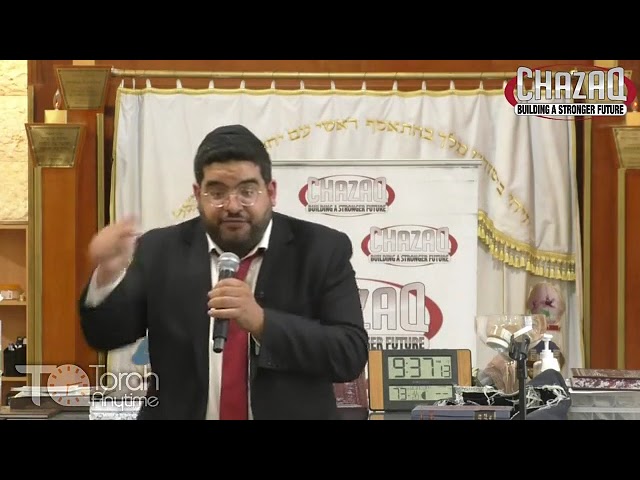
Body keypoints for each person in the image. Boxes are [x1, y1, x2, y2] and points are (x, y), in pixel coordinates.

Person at [78, 124, 369, 420]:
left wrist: (263, 323)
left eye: (247, 191)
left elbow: (349, 354)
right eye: (216, 192)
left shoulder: (320, 249)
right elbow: (105, 335)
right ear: (197, 194)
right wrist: (107, 275)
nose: (232, 206)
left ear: (271, 192)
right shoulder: (161, 249)